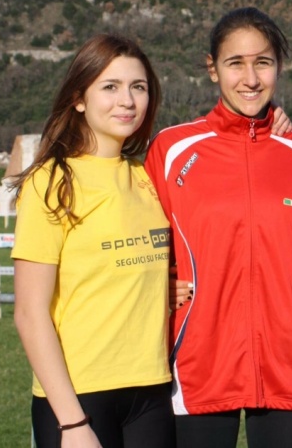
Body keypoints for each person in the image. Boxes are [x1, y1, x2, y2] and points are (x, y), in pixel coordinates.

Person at [145, 7, 292, 448]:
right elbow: (143, 241)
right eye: (235, 63)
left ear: (278, 67)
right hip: (199, 367)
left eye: (263, 62)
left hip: (290, 369)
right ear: (212, 69)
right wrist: (154, 284)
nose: (251, 78)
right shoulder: (171, 148)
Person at [12, 34, 175, 448]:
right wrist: (72, 423)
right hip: (78, 398)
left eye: (138, 87)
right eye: (110, 87)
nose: (127, 100)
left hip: (153, 392)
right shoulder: (51, 182)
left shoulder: (147, 177)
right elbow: (30, 313)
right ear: (79, 99)